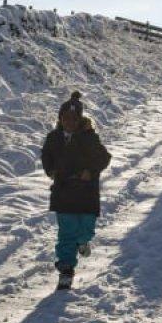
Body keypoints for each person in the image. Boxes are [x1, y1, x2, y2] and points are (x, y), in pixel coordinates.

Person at [41, 91, 112, 290]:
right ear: (60, 119)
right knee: (66, 232)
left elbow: (104, 158)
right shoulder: (54, 138)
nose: (69, 122)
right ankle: (66, 269)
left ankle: (83, 242)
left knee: (85, 230)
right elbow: (46, 156)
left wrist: (90, 171)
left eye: (74, 118)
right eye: (66, 118)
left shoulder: (89, 137)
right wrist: (51, 170)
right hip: (63, 192)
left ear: (80, 120)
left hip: (86, 193)